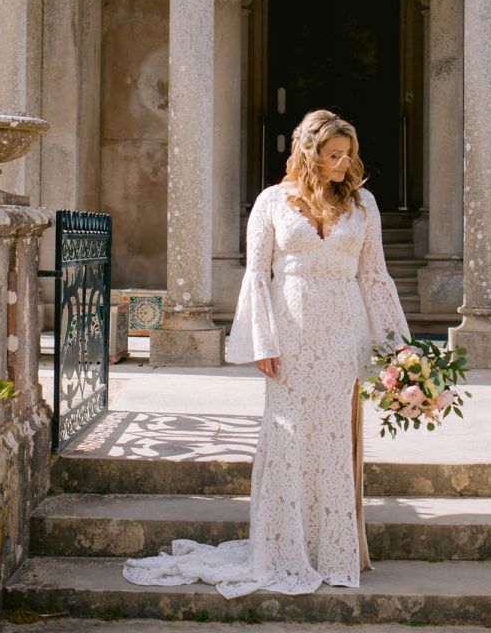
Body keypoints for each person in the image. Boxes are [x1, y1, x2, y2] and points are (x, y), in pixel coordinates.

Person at [123, 109, 409, 598]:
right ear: (309, 154)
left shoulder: (364, 207)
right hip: (291, 335)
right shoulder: (271, 202)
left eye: (348, 156)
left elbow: (376, 277)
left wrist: (399, 350)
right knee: (287, 439)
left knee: (333, 442)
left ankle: (329, 551)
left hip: (344, 336)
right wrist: (262, 341)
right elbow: (257, 274)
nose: (343, 164)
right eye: (333, 156)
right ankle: (281, 551)